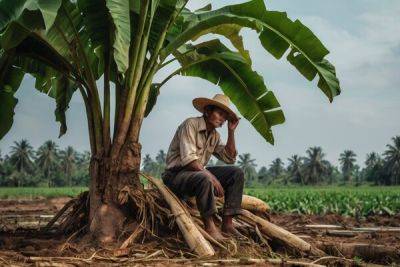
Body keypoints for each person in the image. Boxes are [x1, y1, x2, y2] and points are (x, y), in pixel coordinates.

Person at [161, 94, 244, 241]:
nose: (222, 119)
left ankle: (227, 224)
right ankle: (210, 226)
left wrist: (231, 131)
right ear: (207, 112)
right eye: (219, 113)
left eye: (225, 116)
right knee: (204, 177)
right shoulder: (190, 124)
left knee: (236, 173)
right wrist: (211, 177)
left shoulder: (215, 136)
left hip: (195, 174)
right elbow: (189, 160)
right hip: (175, 176)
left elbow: (229, 157)